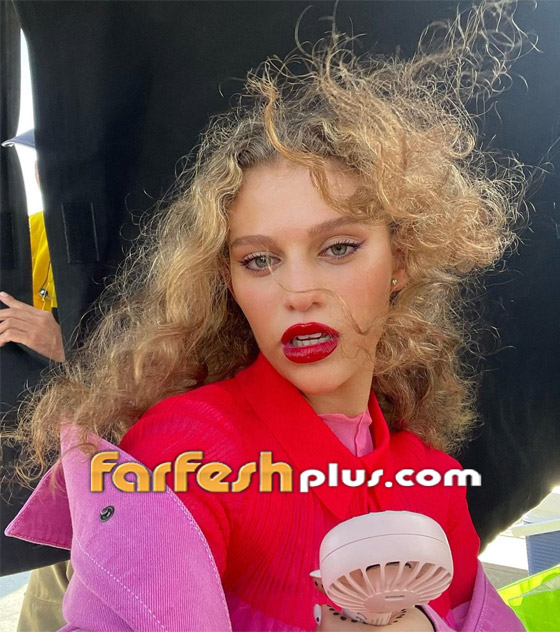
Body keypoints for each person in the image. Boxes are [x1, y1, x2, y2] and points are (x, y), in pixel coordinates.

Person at [4, 2, 527, 630]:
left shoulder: (433, 476)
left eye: (339, 247)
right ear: (229, 283)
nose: (298, 291)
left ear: (402, 260)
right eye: (260, 260)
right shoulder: (187, 452)